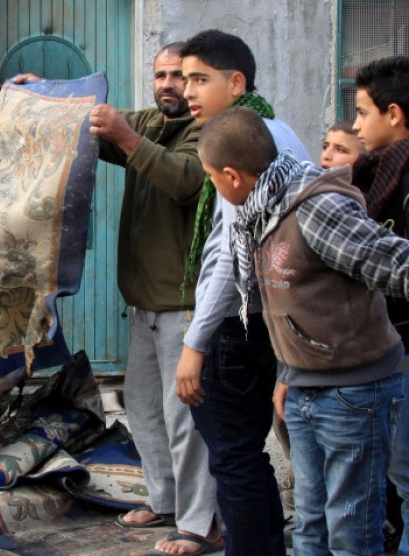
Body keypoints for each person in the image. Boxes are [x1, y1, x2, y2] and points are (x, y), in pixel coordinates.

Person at [14, 43, 214, 556]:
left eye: (182, 76)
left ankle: (199, 524)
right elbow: (89, 123)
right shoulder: (150, 120)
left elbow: (185, 181)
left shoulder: (207, 130)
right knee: (144, 411)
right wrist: (41, 95)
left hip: (183, 306)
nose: (171, 84)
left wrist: (126, 138)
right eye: (162, 75)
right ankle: (165, 502)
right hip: (144, 304)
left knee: (184, 419)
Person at [200, 105, 408, 556]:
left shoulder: (315, 208)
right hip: (305, 387)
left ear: (233, 176)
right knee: (311, 527)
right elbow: (288, 302)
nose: (213, 186)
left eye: (211, 177)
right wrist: (288, 373)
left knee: (351, 533)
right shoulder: (263, 208)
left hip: (354, 393)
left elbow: (395, 263)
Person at [173, 29, 310, 556]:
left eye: (199, 79)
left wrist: (195, 344)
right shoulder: (279, 131)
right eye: (184, 78)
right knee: (248, 459)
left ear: (236, 82)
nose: (188, 92)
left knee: (233, 460)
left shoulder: (242, 143)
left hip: (238, 325)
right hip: (269, 320)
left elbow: (229, 261)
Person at [272, 120, 367, 511]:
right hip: (302, 363)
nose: (327, 156)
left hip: (355, 369)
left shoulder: (353, 214)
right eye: (326, 146)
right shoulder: (305, 203)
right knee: (313, 492)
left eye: (342, 150)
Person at [351, 55, 409, 556]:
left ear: (394, 113)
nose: (354, 125)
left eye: (362, 112)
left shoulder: (403, 181)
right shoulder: (375, 173)